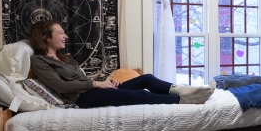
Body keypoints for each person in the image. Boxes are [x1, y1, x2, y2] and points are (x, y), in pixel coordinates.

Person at [28, 20, 214, 108]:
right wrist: (96, 84)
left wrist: (107, 83)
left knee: (146, 79)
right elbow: (61, 86)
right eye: (60, 33)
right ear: (45, 37)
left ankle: (182, 91)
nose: (65, 36)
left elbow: (81, 79)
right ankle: (184, 101)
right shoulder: (39, 61)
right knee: (141, 94)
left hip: (93, 90)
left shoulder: (65, 57)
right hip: (82, 99)